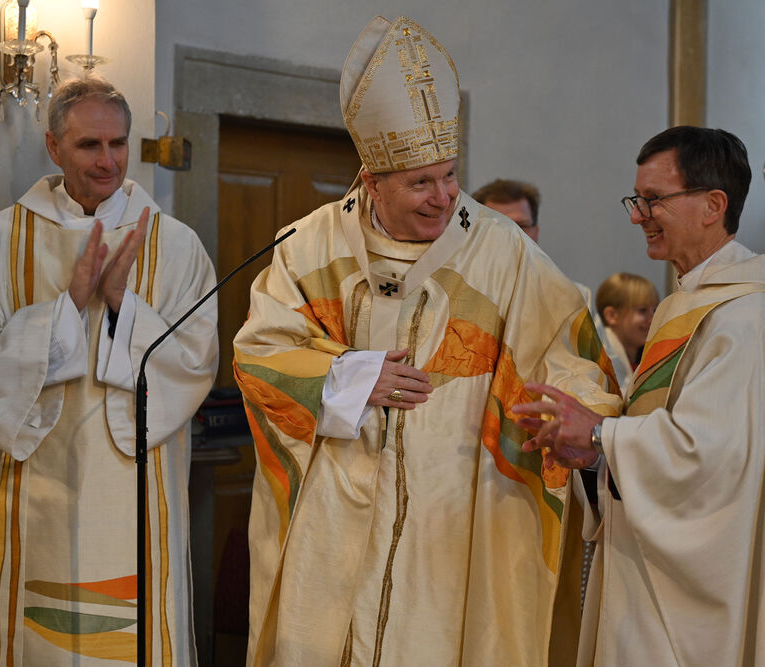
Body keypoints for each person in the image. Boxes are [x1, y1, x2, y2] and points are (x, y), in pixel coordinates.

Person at [232, 15, 620, 666]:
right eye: (420, 183)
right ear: (372, 180)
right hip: (335, 521)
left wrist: (582, 421)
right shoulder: (308, 247)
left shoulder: (504, 251)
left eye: (449, 175)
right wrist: (351, 378)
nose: (443, 198)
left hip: (457, 523)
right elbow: (258, 354)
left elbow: (569, 349)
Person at [513, 126, 765, 666]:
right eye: (637, 199)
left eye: (654, 199)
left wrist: (600, 435)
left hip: (702, 607)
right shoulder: (684, 306)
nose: (638, 215)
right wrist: (592, 457)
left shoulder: (750, 318)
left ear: (713, 205)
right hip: (648, 577)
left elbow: (709, 460)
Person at [0, 76, 218, 665]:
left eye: (118, 144)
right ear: (53, 147)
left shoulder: (175, 246)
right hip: (35, 479)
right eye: (89, 145)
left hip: (134, 476)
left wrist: (122, 305)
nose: (108, 161)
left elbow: (195, 360)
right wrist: (67, 306)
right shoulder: (2, 239)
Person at [473, 178, 599, 322]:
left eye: (522, 226)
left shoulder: (574, 298)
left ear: (536, 232)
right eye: (500, 226)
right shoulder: (458, 295)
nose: (514, 235)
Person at [593, 272, 658, 389]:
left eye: (655, 310)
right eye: (642, 310)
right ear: (612, 315)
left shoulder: (647, 360)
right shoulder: (599, 362)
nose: (653, 319)